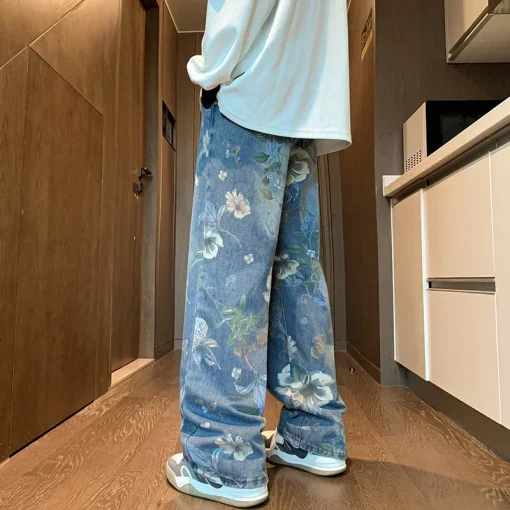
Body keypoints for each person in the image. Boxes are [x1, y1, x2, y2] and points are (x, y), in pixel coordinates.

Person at [166, 1, 351, 506]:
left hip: (252, 89)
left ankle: (220, 457)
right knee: (297, 273)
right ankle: (314, 432)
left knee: (227, 273)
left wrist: (213, 69)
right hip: (306, 98)